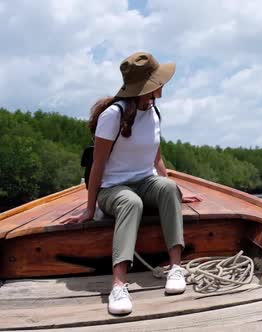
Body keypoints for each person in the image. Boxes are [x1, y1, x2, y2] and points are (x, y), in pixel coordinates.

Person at [63, 52, 199, 315]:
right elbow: (98, 166)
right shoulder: (113, 115)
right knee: (130, 201)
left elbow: (156, 158)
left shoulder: (154, 112)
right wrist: (90, 208)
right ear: (147, 86)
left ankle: (175, 268)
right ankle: (118, 285)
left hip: (145, 181)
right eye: (158, 82)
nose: (162, 87)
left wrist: (172, 193)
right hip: (113, 189)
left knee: (170, 189)